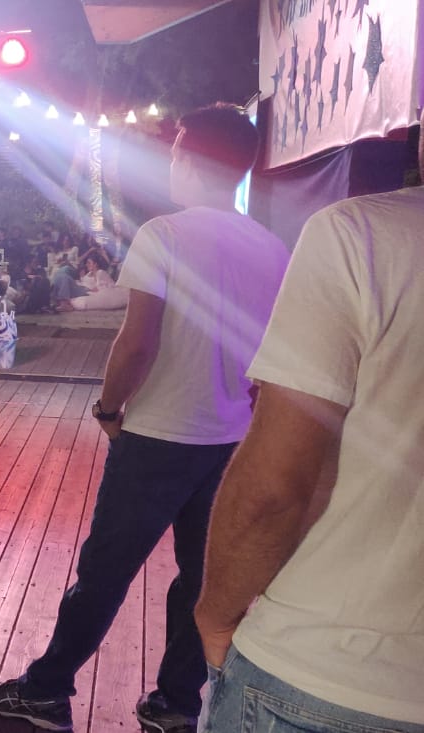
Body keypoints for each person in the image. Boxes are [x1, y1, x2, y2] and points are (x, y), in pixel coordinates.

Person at [0, 104, 289, 733]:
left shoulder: (164, 235)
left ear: (190, 159)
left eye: (174, 150)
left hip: (157, 437)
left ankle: (45, 693)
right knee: (199, 578)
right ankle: (175, 705)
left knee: (105, 571)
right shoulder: (272, 247)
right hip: (231, 440)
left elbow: (137, 342)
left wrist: (109, 408)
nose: (169, 160)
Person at [193, 117, 424, 733]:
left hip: (327, 672)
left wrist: (215, 614)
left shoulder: (362, 236)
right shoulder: (275, 244)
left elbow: (276, 486)